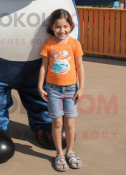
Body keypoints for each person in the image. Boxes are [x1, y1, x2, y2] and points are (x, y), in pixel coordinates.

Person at [38, 9, 85, 171]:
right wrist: (40, 85)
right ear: (52, 27)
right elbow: (43, 67)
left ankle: (70, 152)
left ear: (70, 26)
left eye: (65, 26)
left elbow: (80, 67)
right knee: (57, 122)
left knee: (70, 124)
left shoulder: (74, 44)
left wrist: (81, 88)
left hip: (72, 90)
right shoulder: (48, 44)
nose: (62, 30)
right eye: (58, 27)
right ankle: (59, 154)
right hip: (53, 90)